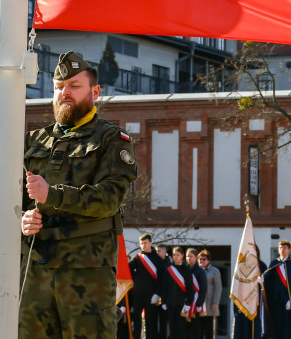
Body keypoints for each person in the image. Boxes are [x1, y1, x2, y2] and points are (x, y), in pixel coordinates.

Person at [19, 51, 138, 337]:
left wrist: (53, 195)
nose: (65, 93)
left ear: (94, 91)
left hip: (87, 272)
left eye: (74, 86)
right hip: (36, 269)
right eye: (59, 87)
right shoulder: (34, 140)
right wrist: (22, 219)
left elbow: (108, 199)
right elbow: (13, 201)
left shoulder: (112, 140)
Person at [130, 232, 166, 339]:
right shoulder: (138, 257)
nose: (143, 246)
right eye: (141, 243)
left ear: (151, 243)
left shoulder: (158, 259)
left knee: (151, 322)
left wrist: (157, 294)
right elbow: (128, 269)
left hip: (151, 295)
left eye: (145, 243)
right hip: (138, 294)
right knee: (136, 321)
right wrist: (134, 283)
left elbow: (162, 279)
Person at [266, 240, 291, 339]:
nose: (282, 250)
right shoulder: (274, 262)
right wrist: (263, 279)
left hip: (288, 299)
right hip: (276, 299)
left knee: (287, 326)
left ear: (289, 249)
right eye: (280, 248)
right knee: (277, 324)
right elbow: (269, 277)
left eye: (285, 248)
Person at [232, 244, 268, 339]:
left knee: (256, 329)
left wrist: (262, 283)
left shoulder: (262, 266)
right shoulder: (241, 266)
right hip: (244, 301)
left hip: (256, 303)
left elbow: (266, 286)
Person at [166, 246, 195, 338]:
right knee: (172, 328)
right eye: (174, 255)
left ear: (182, 255)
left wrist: (188, 302)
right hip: (171, 303)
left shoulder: (186, 270)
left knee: (181, 329)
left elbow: (190, 288)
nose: (175, 257)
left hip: (182, 304)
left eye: (178, 255)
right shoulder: (169, 269)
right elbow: (165, 287)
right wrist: (164, 300)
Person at [196, 249, 222, 339]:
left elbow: (218, 287)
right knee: (198, 330)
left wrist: (215, 302)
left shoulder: (215, 271)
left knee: (208, 330)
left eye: (204, 259)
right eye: (200, 259)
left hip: (209, 303)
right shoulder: (195, 270)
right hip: (198, 303)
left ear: (208, 260)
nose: (202, 261)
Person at [185, 248, 208, 337]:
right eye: (187, 256)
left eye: (191, 256)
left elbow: (203, 288)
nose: (189, 258)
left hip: (196, 302)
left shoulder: (200, 271)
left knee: (196, 327)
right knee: (185, 327)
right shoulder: (184, 269)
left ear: (196, 257)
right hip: (186, 301)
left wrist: (199, 303)